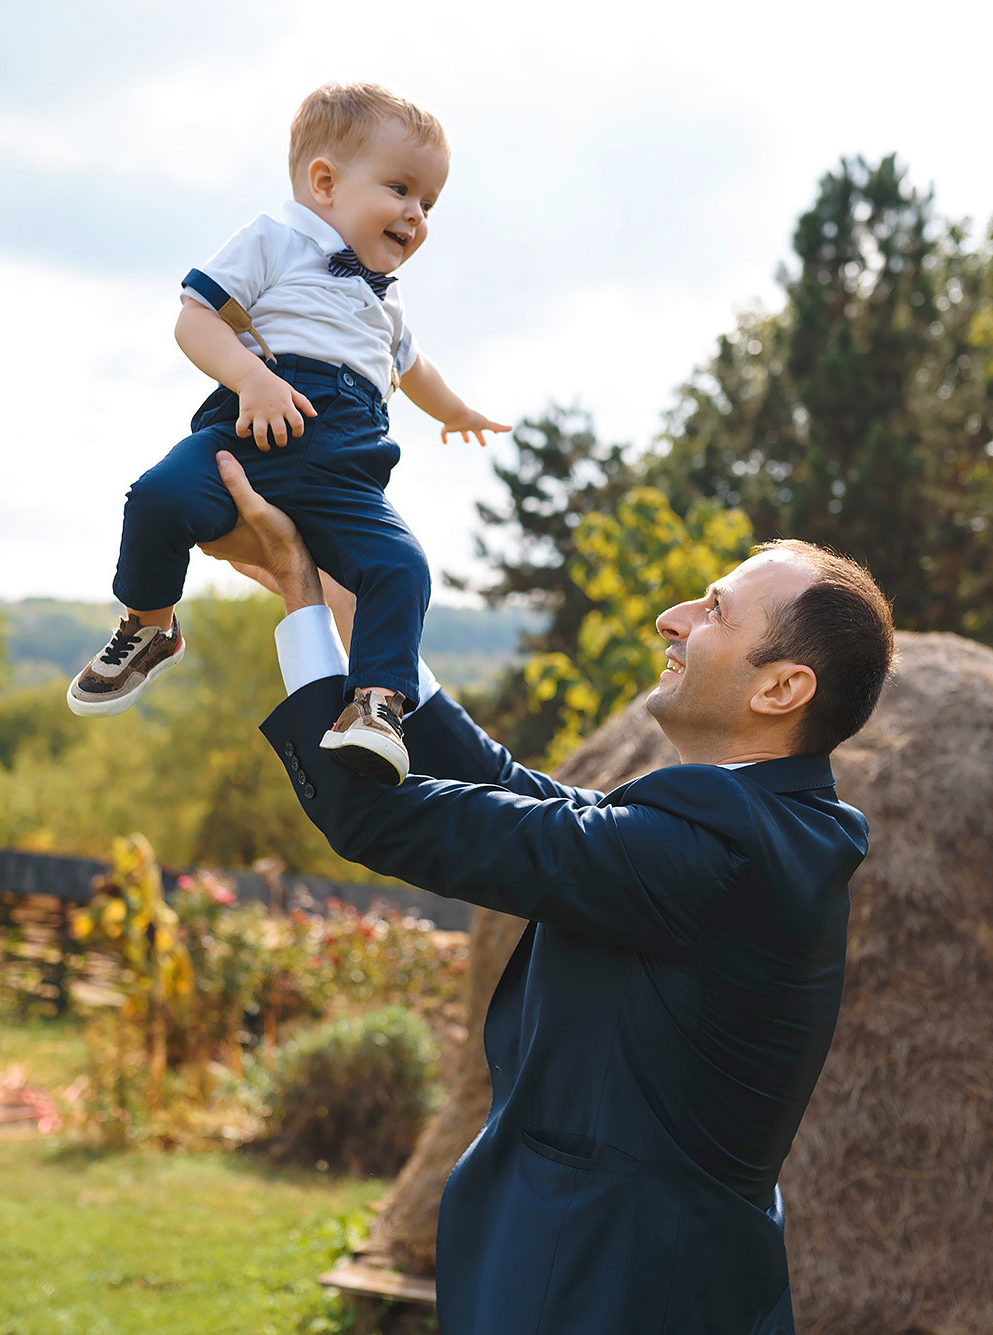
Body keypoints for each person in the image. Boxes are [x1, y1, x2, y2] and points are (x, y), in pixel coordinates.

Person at [204, 452, 895, 1334]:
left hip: (603, 1287)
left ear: (782, 687)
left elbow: (379, 818)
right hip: (649, 1276)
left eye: (714, 609)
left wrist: (303, 602)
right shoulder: (764, 828)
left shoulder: (715, 845)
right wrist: (358, 595)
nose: (672, 618)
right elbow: (511, 789)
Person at [68, 82, 508, 787]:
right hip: (249, 429)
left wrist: (454, 411)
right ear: (325, 182)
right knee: (157, 496)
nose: (416, 215)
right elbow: (195, 315)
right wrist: (251, 378)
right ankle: (151, 622)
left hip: (343, 463)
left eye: (429, 203)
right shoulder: (274, 239)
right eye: (401, 189)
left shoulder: (387, 303)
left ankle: (375, 704)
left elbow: (415, 369)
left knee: (403, 567)